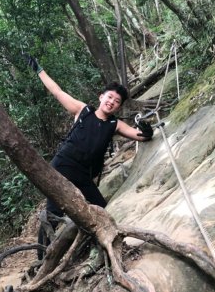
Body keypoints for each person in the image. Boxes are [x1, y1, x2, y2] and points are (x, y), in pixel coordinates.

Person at [27, 56, 153, 255]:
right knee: (53, 213)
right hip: (62, 168)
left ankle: (98, 245)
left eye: (117, 101)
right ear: (101, 97)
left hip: (84, 176)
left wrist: (147, 131)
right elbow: (57, 91)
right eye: (109, 97)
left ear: (119, 107)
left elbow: (139, 136)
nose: (111, 102)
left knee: (101, 210)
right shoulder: (83, 110)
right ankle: (42, 257)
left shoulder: (115, 124)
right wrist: (39, 70)